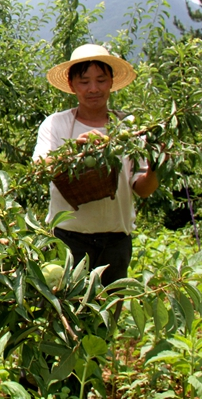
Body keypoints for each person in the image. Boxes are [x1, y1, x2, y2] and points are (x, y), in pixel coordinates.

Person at [33, 44, 158, 286]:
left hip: (116, 243)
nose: (93, 88)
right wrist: (72, 153)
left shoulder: (128, 127)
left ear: (111, 82)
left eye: (101, 80)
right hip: (68, 241)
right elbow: (40, 168)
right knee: (67, 318)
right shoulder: (56, 124)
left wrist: (156, 166)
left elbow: (142, 188)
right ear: (71, 85)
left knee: (108, 317)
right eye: (84, 81)